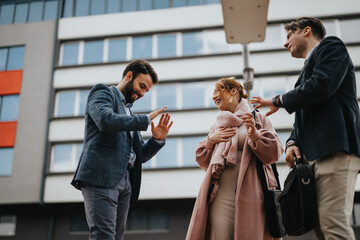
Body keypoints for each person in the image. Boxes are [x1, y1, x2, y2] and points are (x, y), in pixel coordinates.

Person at [251, 17, 360, 240]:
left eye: (289, 35)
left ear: (307, 31)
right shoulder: (306, 72)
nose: (285, 43)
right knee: (322, 226)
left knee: (333, 224)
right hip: (315, 156)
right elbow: (303, 117)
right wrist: (292, 143)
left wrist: (279, 100)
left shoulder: (331, 47)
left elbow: (321, 86)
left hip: (333, 150)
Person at [71, 59, 173, 240]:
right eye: (141, 86)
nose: (142, 93)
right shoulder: (103, 92)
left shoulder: (129, 113)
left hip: (125, 182)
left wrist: (157, 139)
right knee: (103, 236)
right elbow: (105, 120)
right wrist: (145, 120)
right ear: (129, 76)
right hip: (102, 176)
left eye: (146, 91)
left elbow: (137, 154)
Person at [186, 78, 284, 240]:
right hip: (220, 196)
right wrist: (211, 140)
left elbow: (274, 153)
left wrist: (254, 135)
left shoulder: (258, 119)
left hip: (253, 193)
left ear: (233, 92)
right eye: (213, 93)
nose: (213, 96)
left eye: (218, 91)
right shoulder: (218, 126)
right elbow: (203, 159)